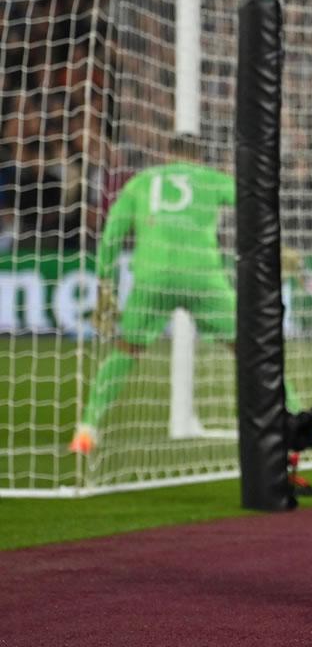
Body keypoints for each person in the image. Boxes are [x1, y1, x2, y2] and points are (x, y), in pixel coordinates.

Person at [69, 138, 299, 455]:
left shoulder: (142, 181)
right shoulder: (211, 179)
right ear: (200, 159)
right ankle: (295, 418)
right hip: (202, 277)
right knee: (252, 349)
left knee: (125, 350)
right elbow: (256, 205)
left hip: (153, 277)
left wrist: (105, 282)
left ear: (168, 156)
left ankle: (87, 428)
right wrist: (274, 247)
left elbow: (112, 233)